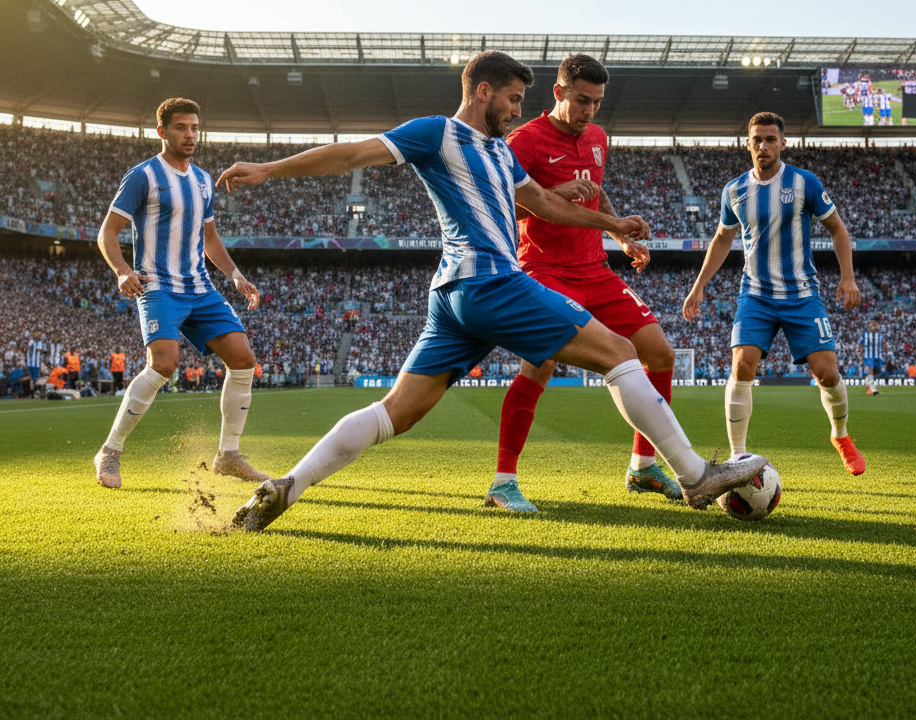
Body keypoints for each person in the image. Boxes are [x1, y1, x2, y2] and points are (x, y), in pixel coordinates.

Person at [218, 51, 767, 531]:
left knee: (396, 412)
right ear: (483, 92)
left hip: (452, 298)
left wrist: (613, 226)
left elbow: (546, 205)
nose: (517, 109)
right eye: (511, 98)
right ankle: (695, 476)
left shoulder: (502, 154)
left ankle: (288, 486)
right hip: (489, 281)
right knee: (621, 353)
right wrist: (268, 168)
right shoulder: (437, 133)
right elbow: (352, 154)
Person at [484, 54, 680, 513]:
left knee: (660, 354)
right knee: (540, 365)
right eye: (581, 100)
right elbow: (498, 209)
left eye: (596, 103)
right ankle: (503, 482)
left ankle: (642, 465)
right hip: (545, 271)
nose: (589, 111)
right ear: (558, 93)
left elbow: (597, 189)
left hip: (596, 270)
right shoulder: (525, 140)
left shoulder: (596, 137)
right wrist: (550, 199)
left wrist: (619, 235)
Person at [92, 97, 269, 489]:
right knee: (165, 363)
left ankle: (229, 456)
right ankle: (111, 451)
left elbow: (209, 237)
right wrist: (123, 271)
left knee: (243, 359)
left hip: (200, 286)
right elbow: (108, 232)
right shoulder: (143, 176)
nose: (189, 135)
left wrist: (236, 275)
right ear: (162, 132)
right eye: (180, 128)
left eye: (194, 127)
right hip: (158, 285)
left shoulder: (205, 180)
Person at [682, 111, 866, 476]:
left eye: (770, 139)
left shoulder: (804, 182)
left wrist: (848, 277)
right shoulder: (734, 190)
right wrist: (699, 285)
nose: (763, 146)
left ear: (783, 143)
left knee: (827, 373)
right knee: (742, 363)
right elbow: (722, 239)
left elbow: (838, 230)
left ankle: (841, 435)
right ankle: (738, 457)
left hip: (801, 293)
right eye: (757, 140)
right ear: (747, 143)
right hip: (755, 295)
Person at [860, 320, 884, 395]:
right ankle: (873, 389)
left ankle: (867, 382)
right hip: (868, 356)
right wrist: (862, 354)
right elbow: (860, 345)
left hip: (878, 356)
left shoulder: (880, 335)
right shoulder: (865, 335)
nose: (874, 327)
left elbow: (883, 344)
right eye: (872, 326)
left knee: (876, 373)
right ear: (870, 327)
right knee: (871, 370)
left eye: (875, 326)